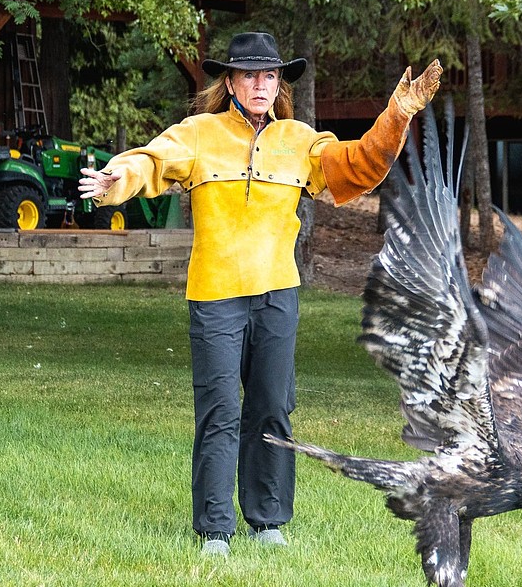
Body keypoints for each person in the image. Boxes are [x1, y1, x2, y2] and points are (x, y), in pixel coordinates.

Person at [79, 31, 442, 558]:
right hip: (215, 294)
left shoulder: (301, 140)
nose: (260, 84)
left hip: (277, 295)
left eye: (269, 75)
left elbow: (360, 165)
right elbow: (152, 161)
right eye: (249, 74)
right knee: (221, 409)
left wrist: (397, 115)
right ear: (229, 82)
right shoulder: (199, 134)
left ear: (279, 84)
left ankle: (268, 520)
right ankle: (215, 529)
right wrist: (118, 177)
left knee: (272, 407)